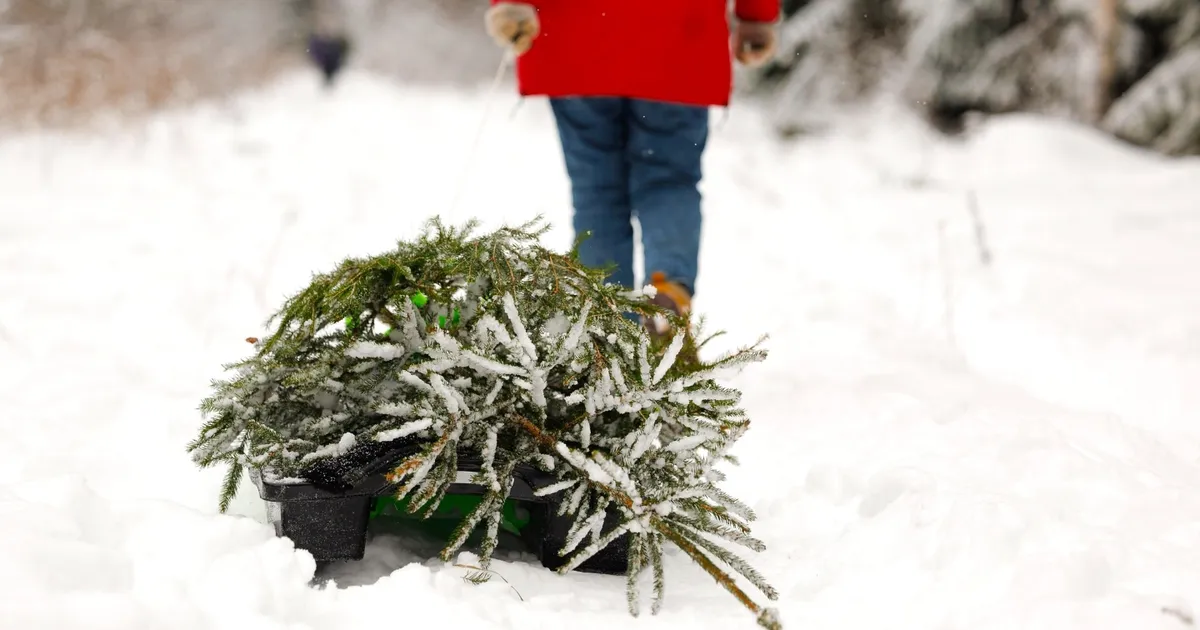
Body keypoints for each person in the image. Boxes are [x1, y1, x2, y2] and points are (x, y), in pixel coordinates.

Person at [483, 0, 778, 338]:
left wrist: (508, 6)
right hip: (678, 37)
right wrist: (756, 16)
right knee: (669, 179)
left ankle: (607, 323)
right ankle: (667, 293)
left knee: (596, 191)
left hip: (576, 37)